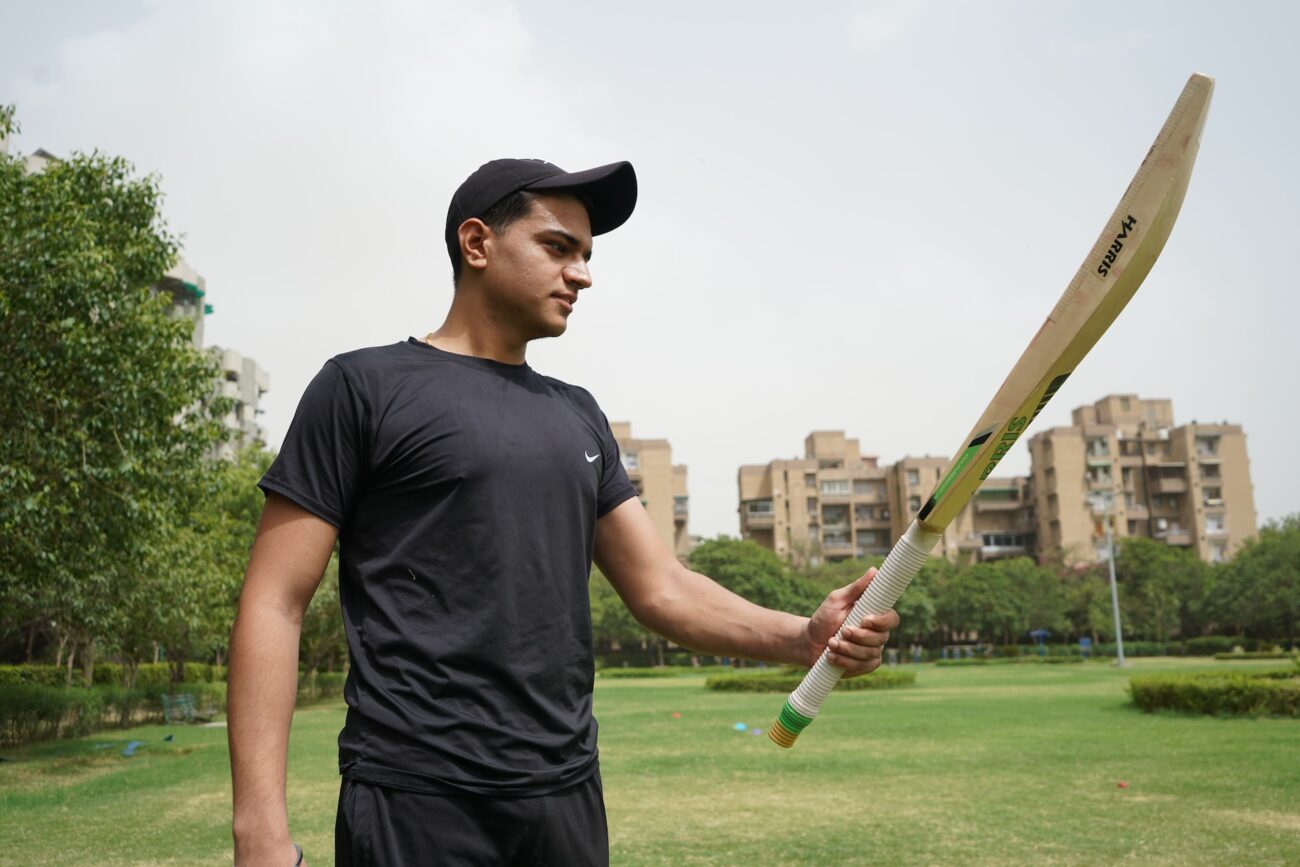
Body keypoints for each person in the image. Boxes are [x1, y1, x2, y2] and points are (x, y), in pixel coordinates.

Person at [227, 158, 900, 866]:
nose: (581, 274)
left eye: (586, 255)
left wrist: (806, 636)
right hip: (418, 797)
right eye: (557, 247)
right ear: (477, 243)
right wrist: (259, 833)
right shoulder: (361, 388)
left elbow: (662, 586)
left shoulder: (578, 416)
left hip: (566, 796)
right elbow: (275, 601)